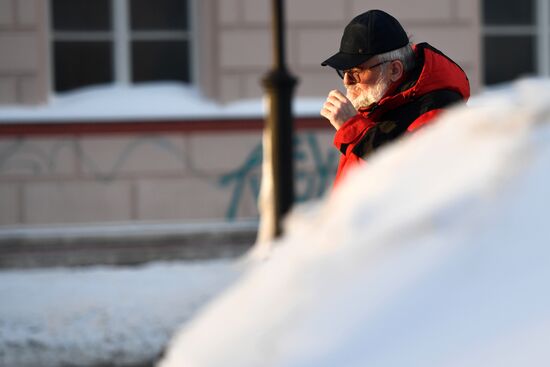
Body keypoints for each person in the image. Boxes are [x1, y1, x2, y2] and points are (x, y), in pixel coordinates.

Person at [321, 9, 470, 187]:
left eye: (356, 72)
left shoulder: (438, 111)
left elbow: (407, 186)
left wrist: (353, 130)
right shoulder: (377, 107)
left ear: (394, 70)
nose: (346, 82)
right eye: (344, 72)